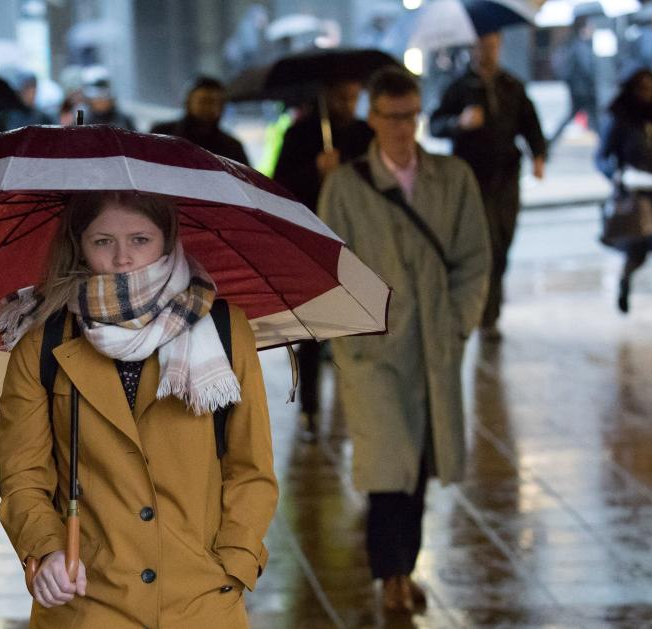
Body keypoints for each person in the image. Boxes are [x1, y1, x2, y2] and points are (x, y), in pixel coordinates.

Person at [0, 191, 277, 626]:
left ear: (167, 238)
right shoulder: (43, 343)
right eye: (103, 241)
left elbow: (251, 467)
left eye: (140, 239)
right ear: (79, 244)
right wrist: (46, 550)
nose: (123, 258)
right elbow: (22, 475)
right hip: (87, 600)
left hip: (201, 600)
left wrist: (234, 562)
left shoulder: (224, 330)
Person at [318, 67, 490, 614]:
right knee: (387, 469)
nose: (403, 128)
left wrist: (459, 323)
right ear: (373, 118)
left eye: (411, 115)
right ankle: (390, 573)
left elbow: (474, 259)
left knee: (416, 466)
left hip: (435, 346)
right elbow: (329, 269)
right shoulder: (346, 187)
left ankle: (403, 568)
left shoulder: (452, 177)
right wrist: (351, 341)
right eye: (392, 117)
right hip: (375, 352)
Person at [273, 77, 373, 440]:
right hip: (312, 240)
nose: (348, 102)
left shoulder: (364, 133)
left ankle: (358, 401)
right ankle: (310, 409)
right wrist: (315, 168)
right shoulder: (300, 133)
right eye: (342, 95)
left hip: (356, 239)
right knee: (313, 330)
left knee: (354, 328)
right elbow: (279, 185)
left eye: (353, 95)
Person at [430, 31, 546, 342]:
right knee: (483, 246)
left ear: (499, 46)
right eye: (481, 46)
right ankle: (484, 313)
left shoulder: (511, 86)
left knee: (503, 242)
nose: (487, 51)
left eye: (492, 45)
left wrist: (539, 156)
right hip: (472, 180)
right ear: (473, 47)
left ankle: (490, 309)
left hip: (506, 178)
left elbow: (531, 124)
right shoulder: (459, 87)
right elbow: (435, 124)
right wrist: (459, 123)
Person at [595, 68, 652, 313]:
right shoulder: (621, 120)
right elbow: (601, 157)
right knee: (638, 248)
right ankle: (625, 283)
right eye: (642, 88)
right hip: (636, 191)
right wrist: (617, 176)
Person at [150, 76, 249, 165]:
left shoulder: (232, 147)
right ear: (188, 102)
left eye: (215, 102)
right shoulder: (161, 134)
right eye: (203, 101)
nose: (209, 107)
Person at [549, 17, 598, 146]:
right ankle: (607, 148)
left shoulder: (574, 44)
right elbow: (587, 68)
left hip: (577, 88)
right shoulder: (581, 46)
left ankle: (549, 142)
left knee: (585, 117)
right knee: (595, 118)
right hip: (583, 90)